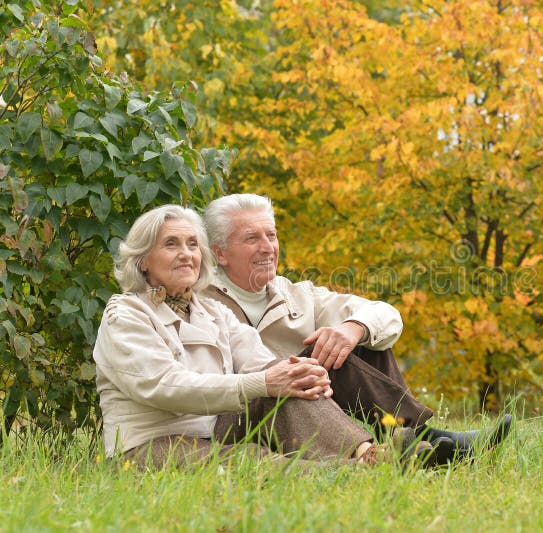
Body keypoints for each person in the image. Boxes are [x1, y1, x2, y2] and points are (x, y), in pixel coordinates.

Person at [93, 205, 431, 468]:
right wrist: (267, 381)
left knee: (288, 381)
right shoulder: (125, 314)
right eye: (171, 244)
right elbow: (163, 385)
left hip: (214, 431)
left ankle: (368, 453)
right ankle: (358, 471)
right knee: (250, 460)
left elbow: (262, 364)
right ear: (143, 262)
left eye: (192, 244)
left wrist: (300, 374)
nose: (186, 253)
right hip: (150, 444)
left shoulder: (211, 312)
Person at [202, 193, 512, 464]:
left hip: (306, 417)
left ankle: (416, 440)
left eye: (271, 235)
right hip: (236, 420)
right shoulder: (199, 299)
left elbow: (386, 315)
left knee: (358, 338)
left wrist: (353, 328)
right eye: (252, 238)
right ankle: (423, 439)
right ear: (220, 253)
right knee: (305, 363)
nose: (267, 247)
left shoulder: (297, 295)